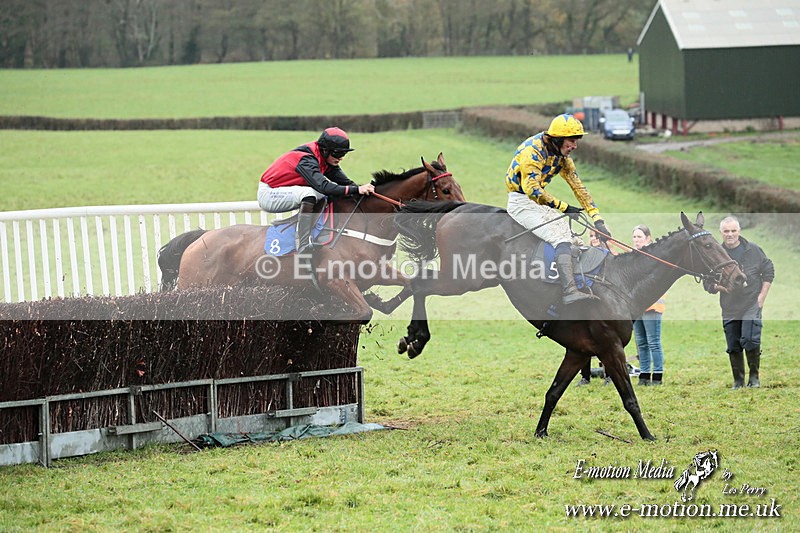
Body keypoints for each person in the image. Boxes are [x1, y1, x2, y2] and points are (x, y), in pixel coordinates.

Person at [505, 113, 611, 304]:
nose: (575, 146)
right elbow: (532, 190)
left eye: (576, 141)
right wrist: (564, 207)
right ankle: (569, 291)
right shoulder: (532, 152)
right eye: (571, 141)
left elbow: (579, 188)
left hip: (536, 203)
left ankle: (579, 282)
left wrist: (597, 219)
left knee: (573, 239)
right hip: (520, 202)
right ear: (558, 139)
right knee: (560, 239)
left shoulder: (562, 158)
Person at [257, 127, 375, 256]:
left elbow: (346, 183)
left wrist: (365, 191)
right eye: (338, 154)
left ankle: (314, 231)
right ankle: (302, 243)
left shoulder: (325, 158)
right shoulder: (306, 159)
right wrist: (356, 189)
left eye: (344, 154)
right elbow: (324, 186)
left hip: (283, 191)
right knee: (310, 194)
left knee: (324, 195)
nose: (341, 158)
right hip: (269, 194)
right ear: (325, 150)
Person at [714, 216, 774, 389]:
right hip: (729, 306)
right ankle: (738, 381)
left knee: (750, 339)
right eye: (726, 231)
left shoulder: (753, 250)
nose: (730, 234)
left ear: (739, 231)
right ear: (721, 233)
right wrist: (723, 288)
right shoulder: (717, 254)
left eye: (733, 231)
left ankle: (754, 378)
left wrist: (761, 298)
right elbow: (708, 283)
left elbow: (768, 271)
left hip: (751, 303)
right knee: (733, 345)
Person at [631, 224, 666, 386]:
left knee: (653, 342)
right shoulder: (632, 257)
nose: (636, 240)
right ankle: (644, 375)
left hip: (652, 306)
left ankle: (657, 376)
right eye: (634, 237)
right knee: (641, 342)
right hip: (636, 306)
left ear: (648, 239)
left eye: (639, 237)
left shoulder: (653, 257)